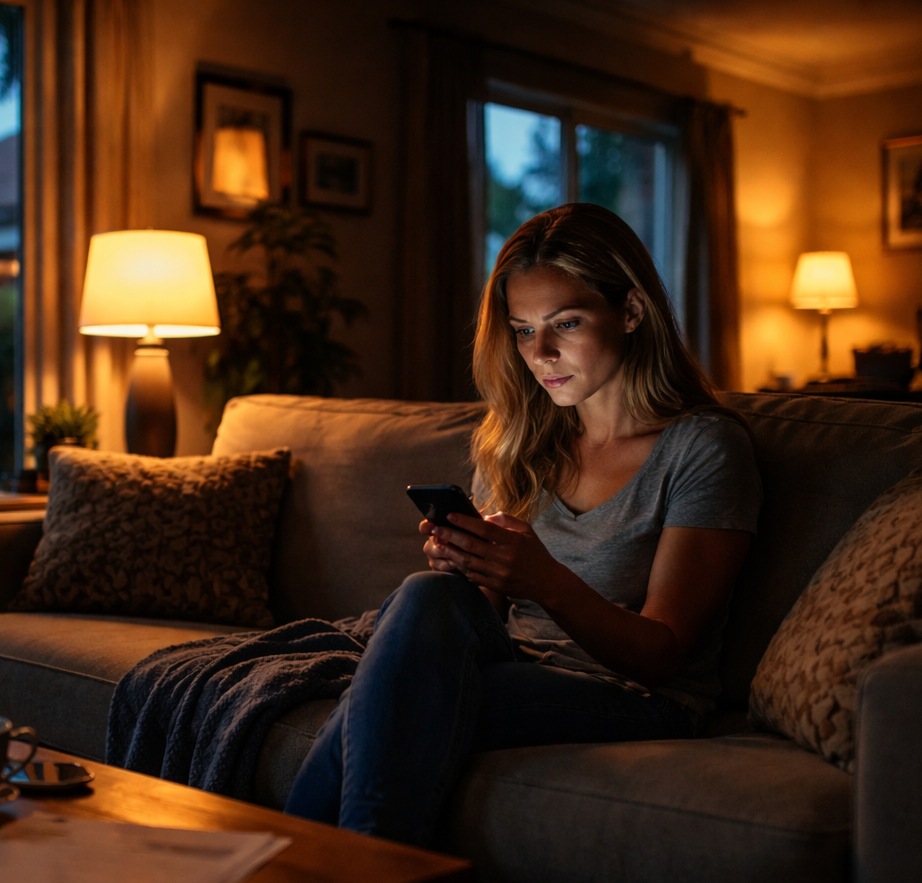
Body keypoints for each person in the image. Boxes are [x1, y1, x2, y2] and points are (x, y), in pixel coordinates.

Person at [283, 203, 762, 846]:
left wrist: (543, 577)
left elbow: (662, 655)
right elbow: (488, 615)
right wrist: (471, 567)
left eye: (566, 322)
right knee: (427, 596)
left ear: (630, 312)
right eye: (522, 329)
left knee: (389, 698)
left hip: (635, 697)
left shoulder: (702, 449)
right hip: (510, 664)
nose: (540, 353)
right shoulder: (518, 444)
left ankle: (315, 881)